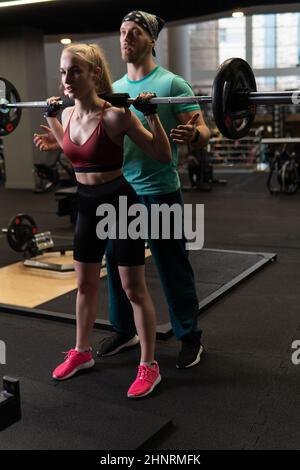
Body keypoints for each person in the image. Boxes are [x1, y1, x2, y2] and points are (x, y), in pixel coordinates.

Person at [34, 11, 211, 370]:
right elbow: (94, 134)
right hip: (119, 190)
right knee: (116, 265)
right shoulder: (111, 89)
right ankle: (124, 330)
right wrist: (60, 143)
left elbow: (203, 129)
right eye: (122, 32)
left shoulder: (172, 84)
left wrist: (195, 135)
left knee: (170, 264)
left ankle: (189, 336)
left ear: (151, 40)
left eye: (134, 33)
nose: (126, 39)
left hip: (159, 190)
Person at [36, 42, 172, 398]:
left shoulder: (117, 115)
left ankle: (149, 365)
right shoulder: (65, 114)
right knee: (84, 285)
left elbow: (161, 154)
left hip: (119, 203)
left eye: (75, 71)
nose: (67, 79)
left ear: (94, 75)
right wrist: (52, 116)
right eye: (64, 72)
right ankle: (81, 352)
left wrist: (152, 114)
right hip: (87, 204)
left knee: (132, 288)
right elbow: (70, 149)